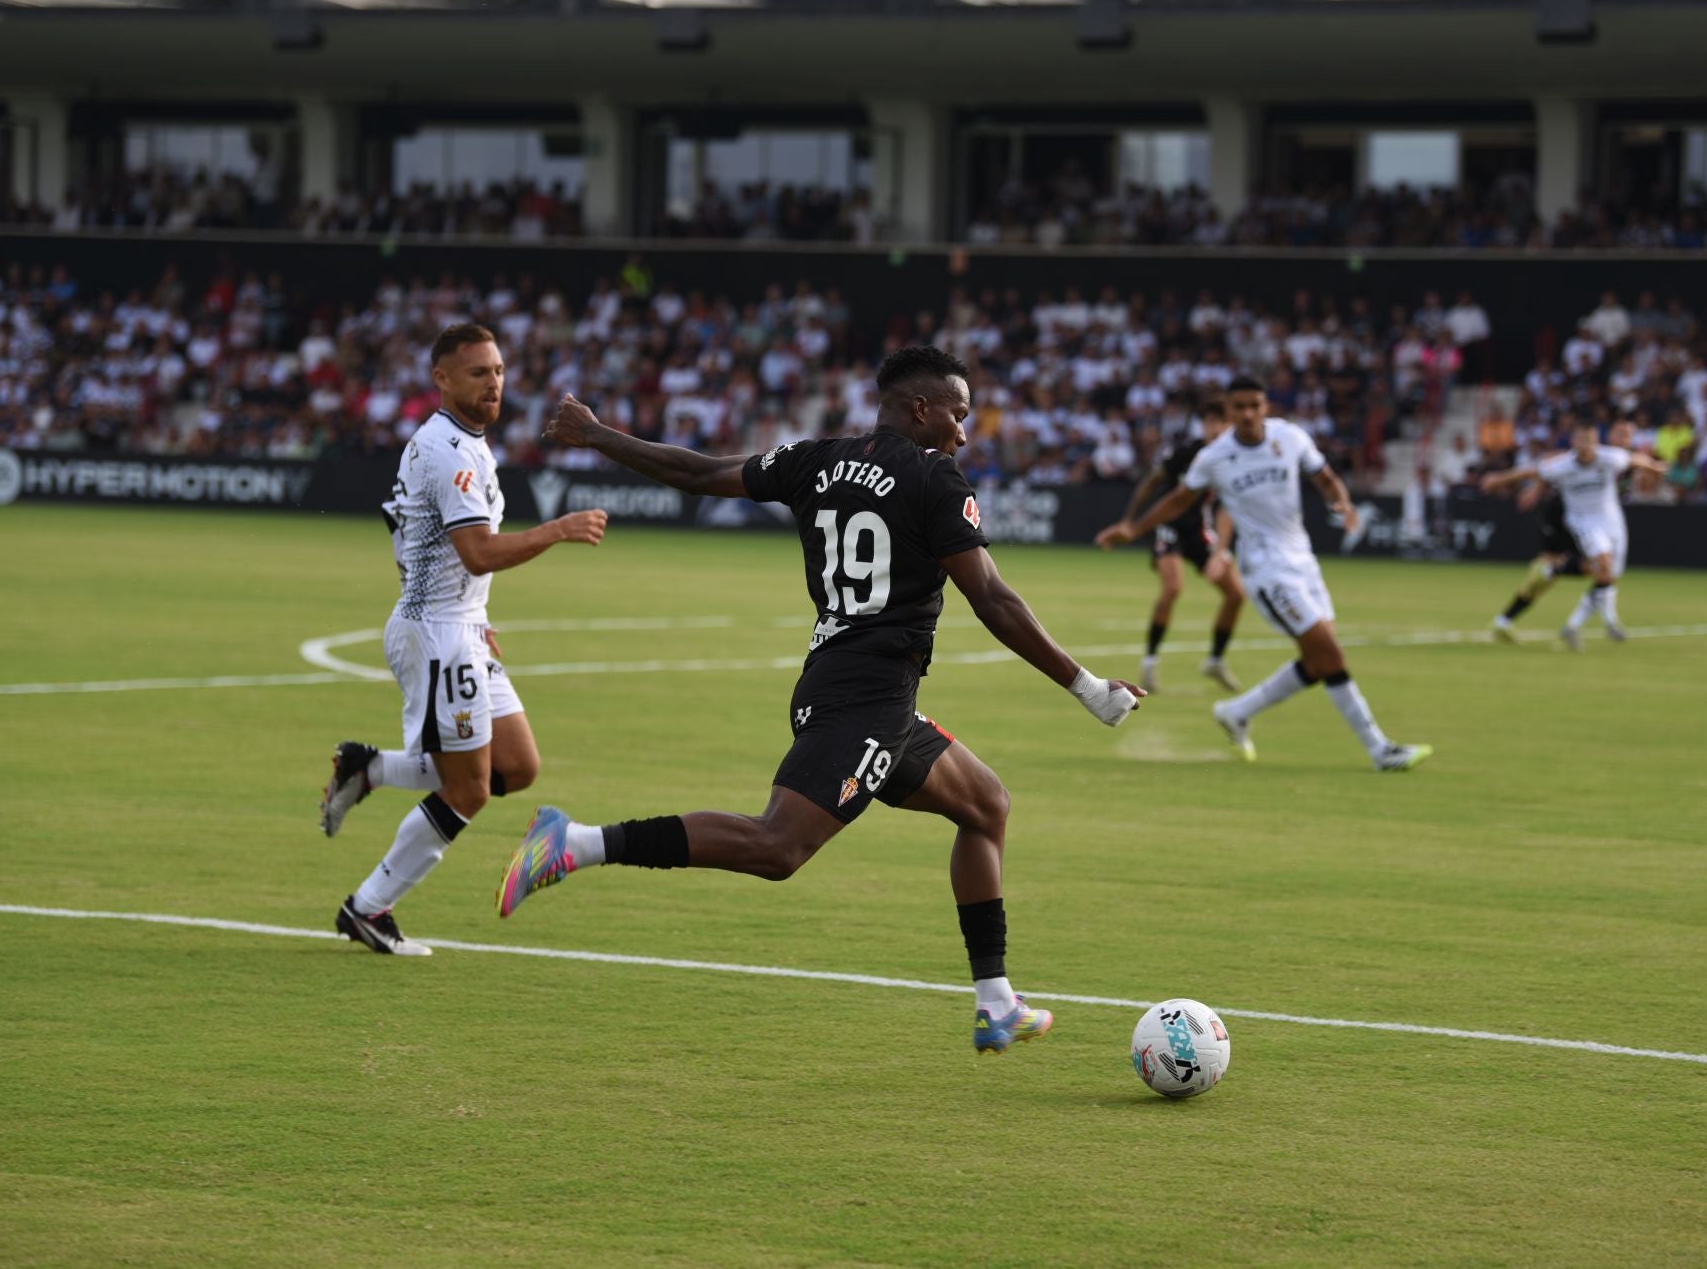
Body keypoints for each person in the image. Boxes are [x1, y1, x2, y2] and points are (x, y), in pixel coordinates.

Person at [497, 345, 1145, 1055]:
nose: (964, 432)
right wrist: (1086, 687)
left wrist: (597, 434)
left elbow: (697, 471)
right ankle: (576, 843)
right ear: (920, 408)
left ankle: (996, 1003)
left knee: (985, 804)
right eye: (958, 415)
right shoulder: (934, 476)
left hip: (861, 692)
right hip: (864, 700)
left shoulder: (818, 457)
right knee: (778, 846)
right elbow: (990, 595)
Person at [318, 323, 608, 956]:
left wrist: (475, 615)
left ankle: (368, 768)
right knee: (470, 788)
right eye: (478, 372)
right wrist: (557, 529)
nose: (494, 383)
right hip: (437, 634)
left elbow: (420, 540)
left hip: (459, 626)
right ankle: (369, 907)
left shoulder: (461, 444)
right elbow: (476, 552)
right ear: (441, 379)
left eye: (499, 370)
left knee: (517, 766)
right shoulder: (448, 449)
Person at [1096, 376, 1431, 772]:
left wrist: (1341, 502)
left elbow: (1324, 478)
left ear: (1266, 406)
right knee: (1330, 653)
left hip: (1303, 562)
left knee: (1320, 658)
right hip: (1266, 571)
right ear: (1230, 409)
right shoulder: (1214, 457)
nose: (1248, 414)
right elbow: (1178, 499)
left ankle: (1237, 711)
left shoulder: (1289, 437)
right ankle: (1380, 749)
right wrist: (1133, 527)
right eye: (1239, 407)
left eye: (1255, 405)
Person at [1481, 424, 1667, 651]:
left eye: (1589, 441)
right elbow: (1533, 470)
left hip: (1610, 522)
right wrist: (1500, 480)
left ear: (1596, 442)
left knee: (1604, 574)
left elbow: (1636, 460)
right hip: (1579, 521)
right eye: (1581, 441)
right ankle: (1602, 621)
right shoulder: (1564, 464)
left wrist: (1654, 466)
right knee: (1602, 568)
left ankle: (1568, 618)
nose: (1585, 447)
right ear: (1574, 442)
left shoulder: (1612, 457)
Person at [1114, 397, 1247, 694]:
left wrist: (1222, 551)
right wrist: (1129, 519)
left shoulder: (1234, 457)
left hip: (1201, 531)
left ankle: (1215, 660)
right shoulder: (1186, 452)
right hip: (1169, 527)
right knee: (1173, 588)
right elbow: (1152, 482)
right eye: (1210, 421)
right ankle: (1149, 662)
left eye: (1221, 421)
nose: (1215, 428)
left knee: (1236, 594)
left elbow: (1229, 507)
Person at [1490, 484, 1583, 642]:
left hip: (1583, 514)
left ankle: (1503, 621)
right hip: (1566, 512)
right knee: (1547, 574)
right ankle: (1504, 621)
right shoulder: (1561, 491)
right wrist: (1535, 490)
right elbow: (1545, 470)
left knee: (1545, 577)